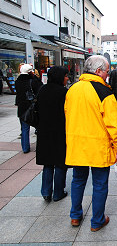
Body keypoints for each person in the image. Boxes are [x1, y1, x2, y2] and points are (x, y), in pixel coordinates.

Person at [64, 55, 117, 231]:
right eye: (107, 71)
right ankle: (97, 220)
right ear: (98, 71)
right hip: (98, 146)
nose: (108, 75)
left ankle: (75, 216)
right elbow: (114, 125)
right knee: (100, 184)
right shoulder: (104, 92)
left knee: (77, 180)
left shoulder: (72, 89)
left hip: (77, 144)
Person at [36, 66, 69, 202]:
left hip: (44, 131)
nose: (67, 78)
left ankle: (46, 192)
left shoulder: (42, 89)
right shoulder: (64, 92)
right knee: (60, 162)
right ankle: (58, 193)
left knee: (48, 162)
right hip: (60, 131)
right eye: (66, 76)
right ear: (60, 77)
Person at [15, 64, 43, 153]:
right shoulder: (33, 81)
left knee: (24, 128)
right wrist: (34, 76)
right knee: (38, 127)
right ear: (29, 72)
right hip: (32, 108)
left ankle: (25, 148)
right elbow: (40, 87)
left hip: (21, 108)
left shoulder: (17, 82)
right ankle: (40, 146)